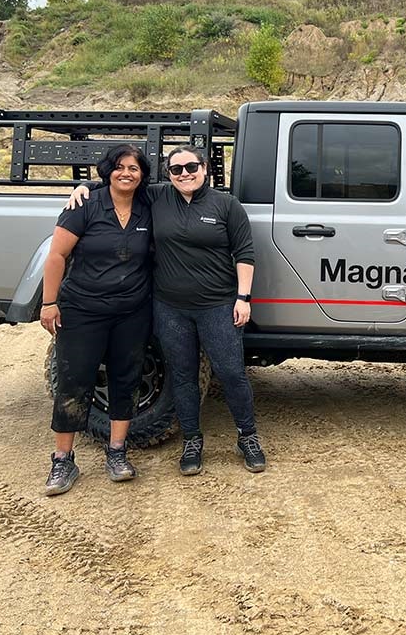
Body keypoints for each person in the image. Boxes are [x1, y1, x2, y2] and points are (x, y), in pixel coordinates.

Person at [67, 146, 264, 476]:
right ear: (167, 175)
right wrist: (86, 188)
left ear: (205, 168)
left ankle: (248, 437)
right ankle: (191, 440)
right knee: (184, 376)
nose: (184, 174)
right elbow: (121, 184)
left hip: (218, 305)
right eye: (176, 169)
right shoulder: (157, 197)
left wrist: (243, 298)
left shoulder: (227, 205)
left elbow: (244, 253)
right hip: (170, 307)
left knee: (231, 372)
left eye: (191, 166)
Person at [41, 145, 152, 496]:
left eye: (133, 168)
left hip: (131, 312)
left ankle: (117, 452)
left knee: (126, 378)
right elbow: (57, 255)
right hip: (83, 310)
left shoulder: (149, 206)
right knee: (74, 381)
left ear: (142, 174)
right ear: (107, 171)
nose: (126, 174)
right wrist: (49, 303)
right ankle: (63, 460)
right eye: (119, 167)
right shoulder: (85, 204)